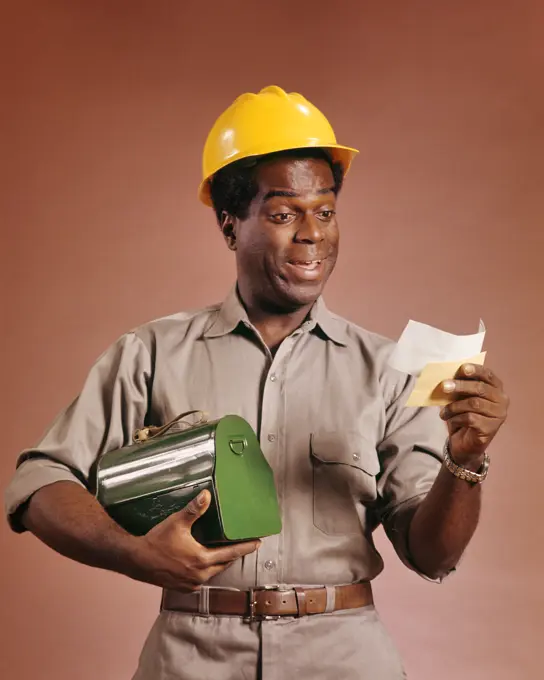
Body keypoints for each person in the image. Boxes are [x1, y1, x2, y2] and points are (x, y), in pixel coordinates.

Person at [4, 86, 509, 679]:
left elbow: (432, 554)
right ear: (229, 224)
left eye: (324, 211)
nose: (312, 234)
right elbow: (39, 483)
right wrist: (135, 552)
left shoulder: (387, 370)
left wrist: (465, 460)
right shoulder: (150, 354)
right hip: (189, 658)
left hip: (343, 660)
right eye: (282, 213)